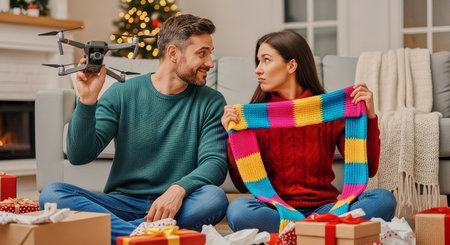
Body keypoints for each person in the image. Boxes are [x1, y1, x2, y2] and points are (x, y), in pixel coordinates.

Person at [39, 14, 229, 243]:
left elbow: (214, 163)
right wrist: (87, 101)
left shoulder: (212, 101)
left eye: (209, 53)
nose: (210, 62)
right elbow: (79, 155)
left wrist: (178, 189)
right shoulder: (122, 93)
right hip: (121, 203)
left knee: (213, 199)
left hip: (176, 205)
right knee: (53, 194)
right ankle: (144, 236)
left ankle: (119, 234)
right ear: (172, 53)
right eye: (202, 53)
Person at [221, 30, 397, 233]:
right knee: (238, 210)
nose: (258, 70)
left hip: (327, 208)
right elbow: (243, 186)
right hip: (276, 209)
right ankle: (322, 231)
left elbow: (369, 169)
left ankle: (297, 232)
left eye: (266, 60)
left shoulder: (329, 111)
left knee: (384, 199)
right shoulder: (254, 117)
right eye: (258, 61)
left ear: (291, 66)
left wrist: (371, 116)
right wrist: (232, 135)